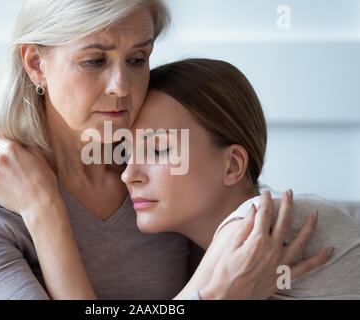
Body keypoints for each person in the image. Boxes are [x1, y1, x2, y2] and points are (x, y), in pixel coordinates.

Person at [0, 0, 329, 300]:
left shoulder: (168, 171)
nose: (121, 86)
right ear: (36, 64)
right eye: (94, 60)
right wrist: (44, 211)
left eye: (137, 59)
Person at [120, 59, 360, 299]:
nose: (128, 175)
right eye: (127, 153)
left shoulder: (258, 218)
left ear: (232, 165)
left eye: (159, 149)